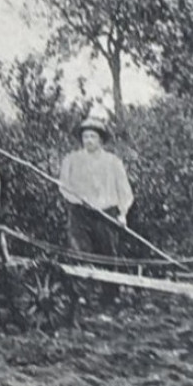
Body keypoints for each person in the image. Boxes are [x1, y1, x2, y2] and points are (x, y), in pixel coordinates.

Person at [58, 116, 134, 307]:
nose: (89, 140)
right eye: (85, 136)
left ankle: (110, 295)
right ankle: (82, 294)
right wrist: (79, 200)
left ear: (100, 139)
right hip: (80, 213)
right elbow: (64, 187)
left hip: (106, 213)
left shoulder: (113, 162)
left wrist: (122, 213)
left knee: (108, 253)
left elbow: (125, 191)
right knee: (80, 252)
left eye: (92, 136)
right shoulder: (71, 160)